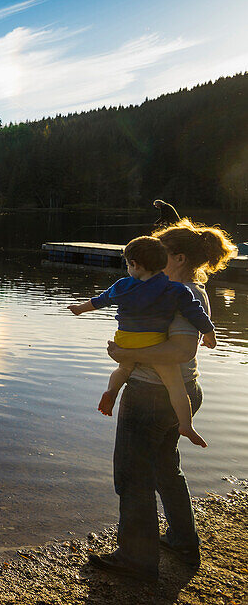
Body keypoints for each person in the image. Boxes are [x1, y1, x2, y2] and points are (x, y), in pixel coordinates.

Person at [86, 219, 237, 582]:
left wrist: (126, 354)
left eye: (161, 253)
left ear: (179, 258)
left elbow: (182, 349)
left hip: (153, 396)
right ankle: (183, 542)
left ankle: (137, 559)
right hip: (180, 392)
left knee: (133, 475)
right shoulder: (176, 290)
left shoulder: (181, 292)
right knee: (165, 470)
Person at [68, 235, 216, 448]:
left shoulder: (122, 286)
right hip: (153, 342)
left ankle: (112, 391)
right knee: (175, 385)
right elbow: (196, 313)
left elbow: (100, 301)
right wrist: (209, 332)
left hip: (125, 341)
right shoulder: (175, 290)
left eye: (128, 264)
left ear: (134, 265)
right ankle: (186, 424)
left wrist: (79, 309)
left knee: (122, 368)